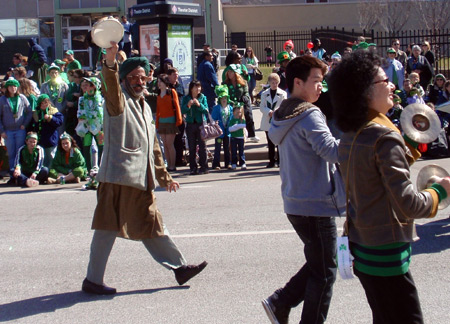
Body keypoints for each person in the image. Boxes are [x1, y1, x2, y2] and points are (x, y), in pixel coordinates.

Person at [328, 49, 450, 324]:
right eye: (385, 81)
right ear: (365, 91)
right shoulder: (384, 136)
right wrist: (440, 190)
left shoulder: (351, 133)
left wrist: (415, 144)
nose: (393, 85)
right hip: (387, 254)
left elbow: (374, 176)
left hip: (364, 249)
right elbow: (408, 204)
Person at [81, 42, 207, 295]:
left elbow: (154, 148)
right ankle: (93, 281)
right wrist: (111, 60)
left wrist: (164, 176)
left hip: (142, 180)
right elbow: (110, 85)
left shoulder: (144, 106)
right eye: (134, 78)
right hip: (117, 177)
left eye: (142, 77)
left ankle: (179, 267)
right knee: (107, 228)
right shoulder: (118, 102)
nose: (140, 82)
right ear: (124, 80)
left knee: (152, 224)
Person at [263, 55, 345, 324]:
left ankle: (280, 302)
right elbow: (332, 152)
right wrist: (358, 137)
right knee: (325, 272)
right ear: (298, 82)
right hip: (315, 204)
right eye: (316, 81)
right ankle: (283, 304)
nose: (321, 87)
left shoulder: (284, 112)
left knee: (320, 263)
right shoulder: (310, 114)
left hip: (296, 202)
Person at [0, 78, 32, 170]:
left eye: (15, 86)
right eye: (10, 86)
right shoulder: (2, 99)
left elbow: (29, 111)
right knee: (11, 153)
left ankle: (19, 172)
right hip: (8, 131)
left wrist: (25, 124)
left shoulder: (22, 97)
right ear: (7, 88)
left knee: (20, 152)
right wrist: (2, 130)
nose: (13, 88)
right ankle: (12, 173)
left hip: (20, 130)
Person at [223, 64, 259, 143]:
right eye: (228, 72)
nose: (229, 74)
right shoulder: (225, 83)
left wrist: (245, 98)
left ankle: (252, 135)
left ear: (236, 73)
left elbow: (246, 92)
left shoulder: (243, 82)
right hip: (231, 104)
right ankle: (228, 137)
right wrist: (231, 102)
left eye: (231, 72)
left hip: (243, 103)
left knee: (248, 116)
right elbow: (224, 94)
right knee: (229, 120)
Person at [181, 80, 209, 175]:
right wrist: (188, 105)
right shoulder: (186, 98)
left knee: (202, 146)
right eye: (196, 87)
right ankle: (193, 167)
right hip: (190, 124)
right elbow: (182, 110)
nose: (198, 89)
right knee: (192, 147)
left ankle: (204, 166)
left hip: (201, 124)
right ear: (191, 88)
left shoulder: (203, 97)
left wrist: (198, 104)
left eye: (199, 87)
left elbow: (206, 110)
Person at [155, 74, 182, 172]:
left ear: (165, 82)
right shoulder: (158, 94)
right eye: (158, 82)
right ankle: (168, 164)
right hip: (162, 121)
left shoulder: (171, 92)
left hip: (171, 121)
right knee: (165, 144)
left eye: (160, 82)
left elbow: (177, 105)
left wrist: (178, 120)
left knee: (170, 144)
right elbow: (158, 110)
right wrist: (157, 123)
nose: (159, 84)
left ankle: (172, 165)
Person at [76, 77, 104, 171]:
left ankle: (101, 169)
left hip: (99, 127)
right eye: (85, 85)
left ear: (94, 87)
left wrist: (92, 116)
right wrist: (86, 117)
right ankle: (89, 170)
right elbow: (80, 113)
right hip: (86, 126)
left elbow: (103, 113)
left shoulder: (101, 99)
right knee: (86, 147)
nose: (86, 86)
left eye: (89, 84)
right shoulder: (82, 99)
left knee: (101, 147)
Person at [259, 73, 287, 168]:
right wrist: (268, 111)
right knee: (270, 142)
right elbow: (262, 106)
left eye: (276, 83)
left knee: (279, 141)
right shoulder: (264, 93)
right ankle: (271, 160)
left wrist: (276, 111)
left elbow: (284, 106)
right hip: (268, 119)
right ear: (269, 83)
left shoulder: (283, 93)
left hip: (278, 119)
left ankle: (280, 160)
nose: (274, 84)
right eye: (272, 83)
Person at [33, 94, 64, 168]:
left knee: (51, 157)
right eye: (42, 103)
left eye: (45, 103)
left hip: (50, 139)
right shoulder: (36, 113)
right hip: (40, 140)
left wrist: (50, 118)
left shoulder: (54, 111)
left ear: (49, 103)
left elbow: (59, 122)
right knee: (41, 158)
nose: (44, 105)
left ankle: (50, 173)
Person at [40, 64, 69, 133]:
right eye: (52, 73)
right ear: (49, 74)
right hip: (49, 112)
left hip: (60, 111)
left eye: (56, 72)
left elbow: (66, 98)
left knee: (60, 131)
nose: (54, 74)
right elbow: (41, 98)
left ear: (58, 73)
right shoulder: (44, 85)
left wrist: (62, 108)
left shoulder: (64, 85)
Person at [167, 67, 187, 167]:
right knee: (171, 139)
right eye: (174, 75)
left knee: (180, 138)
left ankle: (179, 159)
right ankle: (172, 161)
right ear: (169, 76)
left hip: (180, 115)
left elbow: (183, 99)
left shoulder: (179, 86)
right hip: (170, 115)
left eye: (177, 75)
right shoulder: (167, 87)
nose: (176, 77)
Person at [211, 85, 232, 170]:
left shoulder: (230, 108)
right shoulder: (216, 108)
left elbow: (233, 118)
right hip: (219, 132)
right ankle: (216, 164)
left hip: (227, 131)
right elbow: (213, 118)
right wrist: (215, 122)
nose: (224, 100)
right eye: (222, 98)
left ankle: (228, 163)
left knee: (227, 148)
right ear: (219, 99)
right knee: (218, 148)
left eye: (225, 98)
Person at [228, 104, 246, 170]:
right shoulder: (232, 120)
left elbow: (244, 126)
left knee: (241, 151)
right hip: (233, 138)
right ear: (233, 112)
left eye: (239, 112)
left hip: (241, 138)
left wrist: (237, 126)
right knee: (233, 151)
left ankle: (242, 163)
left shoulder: (242, 120)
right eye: (237, 112)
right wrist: (237, 126)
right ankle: (234, 163)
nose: (238, 114)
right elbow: (230, 129)